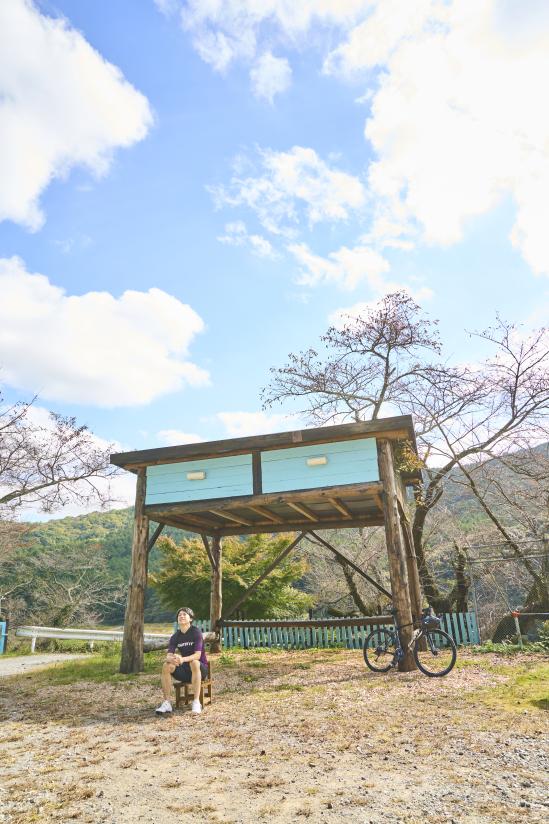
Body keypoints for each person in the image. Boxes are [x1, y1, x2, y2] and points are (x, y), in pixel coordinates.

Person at [155, 606, 208, 716]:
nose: (181, 616)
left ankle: (196, 702)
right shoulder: (175, 636)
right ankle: (167, 703)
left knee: (194, 662)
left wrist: (182, 659)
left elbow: (197, 655)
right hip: (184, 671)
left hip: (200, 669)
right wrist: (173, 658)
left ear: (191, 619)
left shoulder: (196, 632)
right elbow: (168, 656)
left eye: (184, 614)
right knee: (166, 665)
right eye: (179, 615)